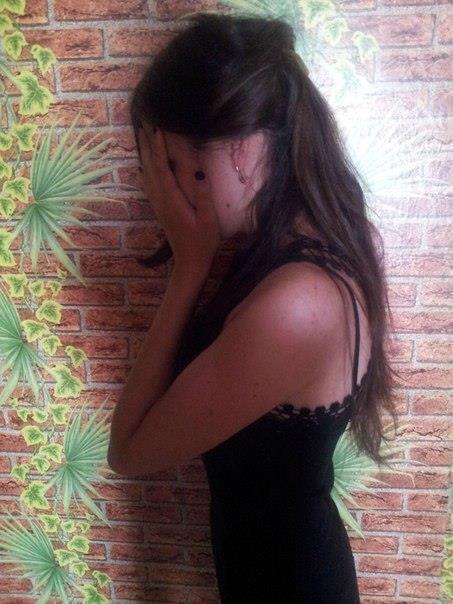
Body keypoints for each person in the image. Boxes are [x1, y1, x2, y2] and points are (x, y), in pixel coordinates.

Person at [108, 12, 400, 603]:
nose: (162, 192)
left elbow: (129, 450)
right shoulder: (312, 250)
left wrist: (189, 266)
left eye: (170, 166)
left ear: (238, 149)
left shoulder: (295, 304)